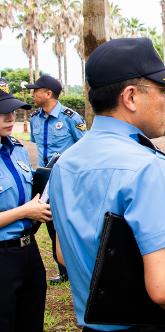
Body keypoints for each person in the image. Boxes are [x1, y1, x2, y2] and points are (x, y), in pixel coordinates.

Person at [48, 37, 165, 332]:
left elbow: (63, 253)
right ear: (131, 96)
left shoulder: (63, 165)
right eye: (164, 90)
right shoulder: (147, 166)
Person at [0, 78, 52, 331]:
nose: (9, 117)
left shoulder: (16, 149)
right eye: (1, 113)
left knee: (31, 319)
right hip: (2, 255)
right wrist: (26, 211)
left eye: (10, 111)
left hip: (28, 251)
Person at [27, 74, 86, 284]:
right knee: (48, 222)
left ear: (48, 93)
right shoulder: (34, 118)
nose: (32, 94)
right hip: (44, 178)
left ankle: (76, 265)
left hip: (66, 179)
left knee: (67, 222)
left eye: (36, 90)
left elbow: (84, 146)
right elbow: (37, 144)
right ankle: (63, 270)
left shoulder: (70, 118)